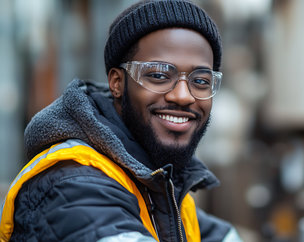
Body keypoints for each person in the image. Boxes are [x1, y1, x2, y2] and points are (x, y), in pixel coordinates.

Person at [0, 0, 242, 241]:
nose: (182, 96)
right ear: (117, 82)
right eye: (158, 75)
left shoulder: (158, 182)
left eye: (200, 81)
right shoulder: (73, 185)